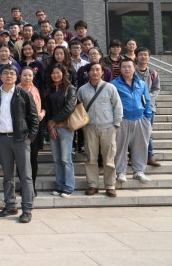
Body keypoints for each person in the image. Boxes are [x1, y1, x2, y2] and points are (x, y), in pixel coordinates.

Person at [0, 64, 38, 223]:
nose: (9, 76)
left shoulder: (23, 94)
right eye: (5, 73)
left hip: (21, 139)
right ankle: (10, 205)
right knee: (7, 175)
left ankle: (27, 209)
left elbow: (34, 118)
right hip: (2, 139)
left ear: (16, 77)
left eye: (12, 73)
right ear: (1, 76)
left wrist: (29, 137)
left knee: (25, 176)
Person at [77, 62, 123, 197]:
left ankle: (110, 186)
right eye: (92, 70)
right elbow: (79, 110)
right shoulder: (82, 90)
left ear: (102, 72)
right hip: (90, 128)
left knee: (109, 158)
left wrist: (116, 125)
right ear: (88, 72)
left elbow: (118, 106)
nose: (95, 72)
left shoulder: (110, 87)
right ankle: (93, 185)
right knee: (91, 158)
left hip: (108, 127)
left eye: (98, 70)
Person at [112, 59, 153, 183]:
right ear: (120, 69)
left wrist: (147, 116)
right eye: (124, 66)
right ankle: (120, 172)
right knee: (120, 147)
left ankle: (139, 171)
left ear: (134, 67)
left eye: (129, 66)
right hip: (122, 119)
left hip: (140, 119)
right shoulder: (114, 84)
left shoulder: (141, 83)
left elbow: (147, 100)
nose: (127, 69)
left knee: (140, 146)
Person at [44, 63, 77, 197]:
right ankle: (59, 185)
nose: (55, 75)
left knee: (65, 159)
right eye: (53, 73)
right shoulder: (50, 89)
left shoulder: (70, 88)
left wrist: (54, 121)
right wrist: (50, 125)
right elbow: (46, 110)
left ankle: (68, 186)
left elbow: (69, 108)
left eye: (58, 72)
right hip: (53, 128)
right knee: (57, 159)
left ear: (63, 74)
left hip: (65, 128)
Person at [18, 66, 46, 195]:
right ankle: (23, 185)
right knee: (21, 159)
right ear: (20, 76)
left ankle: (31, 186)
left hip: (35, 126)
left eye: (30, 75)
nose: (27, 77)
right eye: (24, 75)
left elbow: (44, 107)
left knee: (33, 158)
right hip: (20, 127)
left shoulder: (37, 90)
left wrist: (42, 113)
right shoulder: (15, 90)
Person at [135, 47, 161, 167]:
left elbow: (156, 89)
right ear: (136, 56)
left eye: (146, 55)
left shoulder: (153, 73)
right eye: (141, 54)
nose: (143, 57)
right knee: (133, 132)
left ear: (149, 57)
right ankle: (133, 156)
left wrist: (148, 97)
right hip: (134, 106)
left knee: (148, 132)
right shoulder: (131, 71)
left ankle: (149, 156)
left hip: (149, 107)